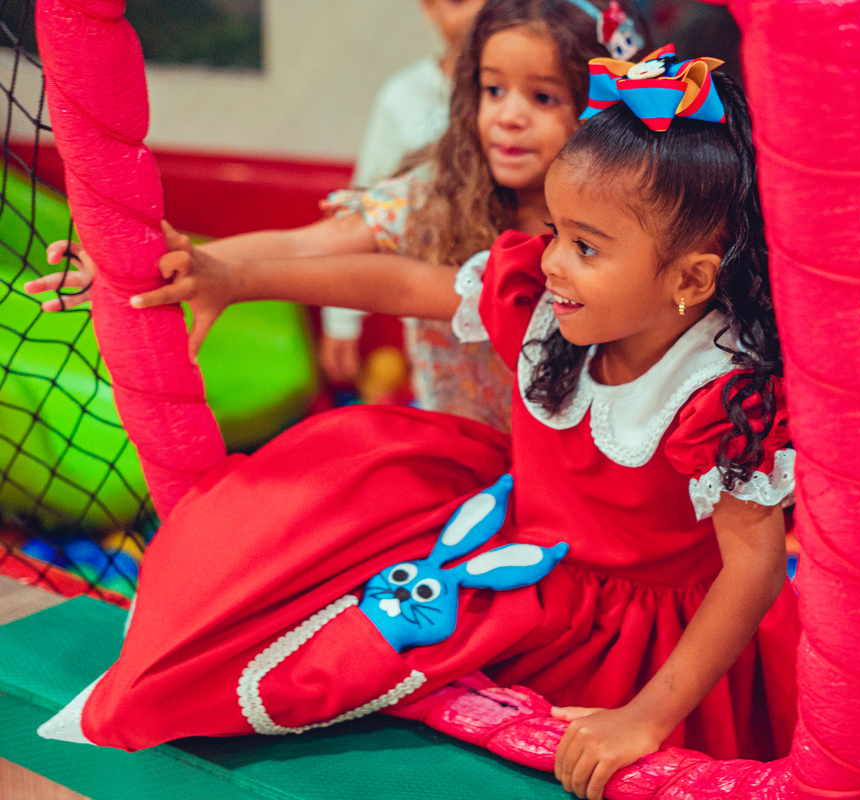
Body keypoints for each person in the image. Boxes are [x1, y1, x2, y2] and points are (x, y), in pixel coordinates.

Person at [39, 51, 799, 800]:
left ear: (690, 278)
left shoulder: (719, 397)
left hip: (651, 652)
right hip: (525, 582)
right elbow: (405, 283)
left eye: (587, 246)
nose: (553, 262)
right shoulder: (546, 307)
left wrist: (646, 716)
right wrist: (233, 277)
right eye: (556, 231)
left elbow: (756, 570)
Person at [26, 0, 650, 433]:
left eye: (542, 97)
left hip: (578, 459)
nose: (509, 116)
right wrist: (154, 266)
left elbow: (408, 288)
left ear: (596, 111)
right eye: (492, 90)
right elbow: (306, 246)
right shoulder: (440, 193)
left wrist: (228, 277)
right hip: (465, 446)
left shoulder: (609, 220)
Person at [321, 0, 487, 383]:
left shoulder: (523, 104)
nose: (479, 9)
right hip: (434, 331)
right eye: (459, 0)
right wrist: (341, 322)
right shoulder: (403, 97)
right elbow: (366, 208)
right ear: (429, 7)